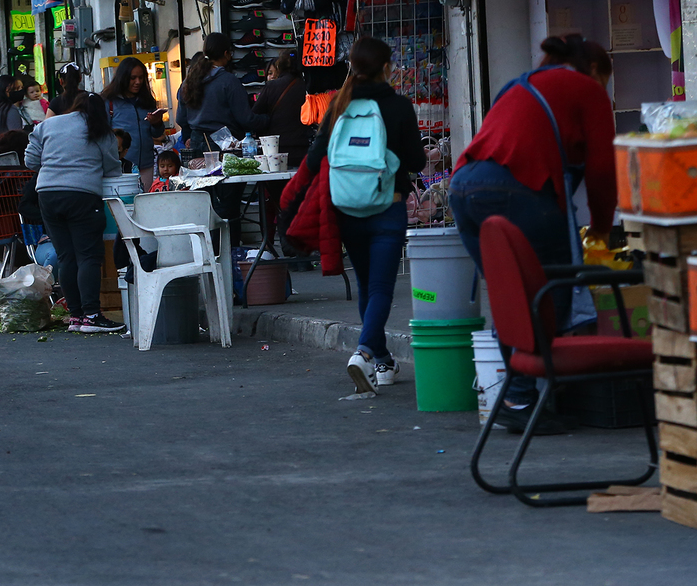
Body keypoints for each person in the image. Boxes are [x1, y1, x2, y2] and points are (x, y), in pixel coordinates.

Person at [449, 34, 615, 434]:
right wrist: (602, 231)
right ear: (594, 71)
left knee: (511, 297)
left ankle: (517, 397)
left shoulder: (522, 82)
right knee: (547, 293)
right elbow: (602, 170)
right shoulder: (587, 89)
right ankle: (521, 395)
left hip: (464, 188)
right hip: (518, 189)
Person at [303, 37, 426, 394]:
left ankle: (383, 360)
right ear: (387, 67)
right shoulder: (399, 106)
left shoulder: (339, 104)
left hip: (348, 209)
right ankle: (363, 352)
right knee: (382, 288)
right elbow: (417, 161)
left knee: (368, 286)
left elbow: (314, 158)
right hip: (388, 205)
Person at [24, 90, 125, 334]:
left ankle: (77, 315)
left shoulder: (49, 124)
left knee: (66, 256)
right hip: (82, 196)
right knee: (88, 256)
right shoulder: (100, 130)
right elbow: (113, 170)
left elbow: (30, 160)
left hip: (47, 195)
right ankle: (92, 315)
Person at [176, 33, 269, 150]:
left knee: (202, 168)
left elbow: (180, 119)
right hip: (225, 143)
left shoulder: (188, 81)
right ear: (226, 54)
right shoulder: (229, 81)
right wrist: (267, 119)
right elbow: (245, 119)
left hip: (197, 142)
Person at [100, 57, 166, 191]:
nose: (138, 82)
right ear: (123, 78)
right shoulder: (109, 102)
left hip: (146, 164)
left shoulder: (147, 101)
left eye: (141, 78)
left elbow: (157, 134)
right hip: (120, 166)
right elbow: (102, 134)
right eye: (133, 78)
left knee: (144, 202)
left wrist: (157, 123)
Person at [252, 51, 310, 168]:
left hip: (275, 149)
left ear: (280, 68)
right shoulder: (307, 87)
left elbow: (254, 115)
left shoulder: (271, 86)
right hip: (302, 147)